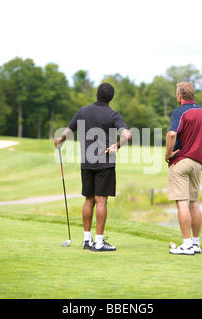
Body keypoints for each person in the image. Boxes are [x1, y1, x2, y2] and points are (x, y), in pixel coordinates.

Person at [54, 83, 131, 252]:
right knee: (101, 200)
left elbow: (67, 131)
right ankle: (99, 242)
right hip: (105, 162)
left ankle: (87, 241)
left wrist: (60, 140)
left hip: (87, 162)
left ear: (96, 95)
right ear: (111, 98)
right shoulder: (113, 115)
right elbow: (127, 135)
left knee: (89, 199)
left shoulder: (83, 111)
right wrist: (117, 145)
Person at [165, 81, 202, 255]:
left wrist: (168, 154)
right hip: (197, 164)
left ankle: (187, 244)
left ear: (179, 95)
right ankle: (196, 243)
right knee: (194, 203)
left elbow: (172, 134)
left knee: (182, 203)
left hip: (181, 162)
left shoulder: (179, 111)